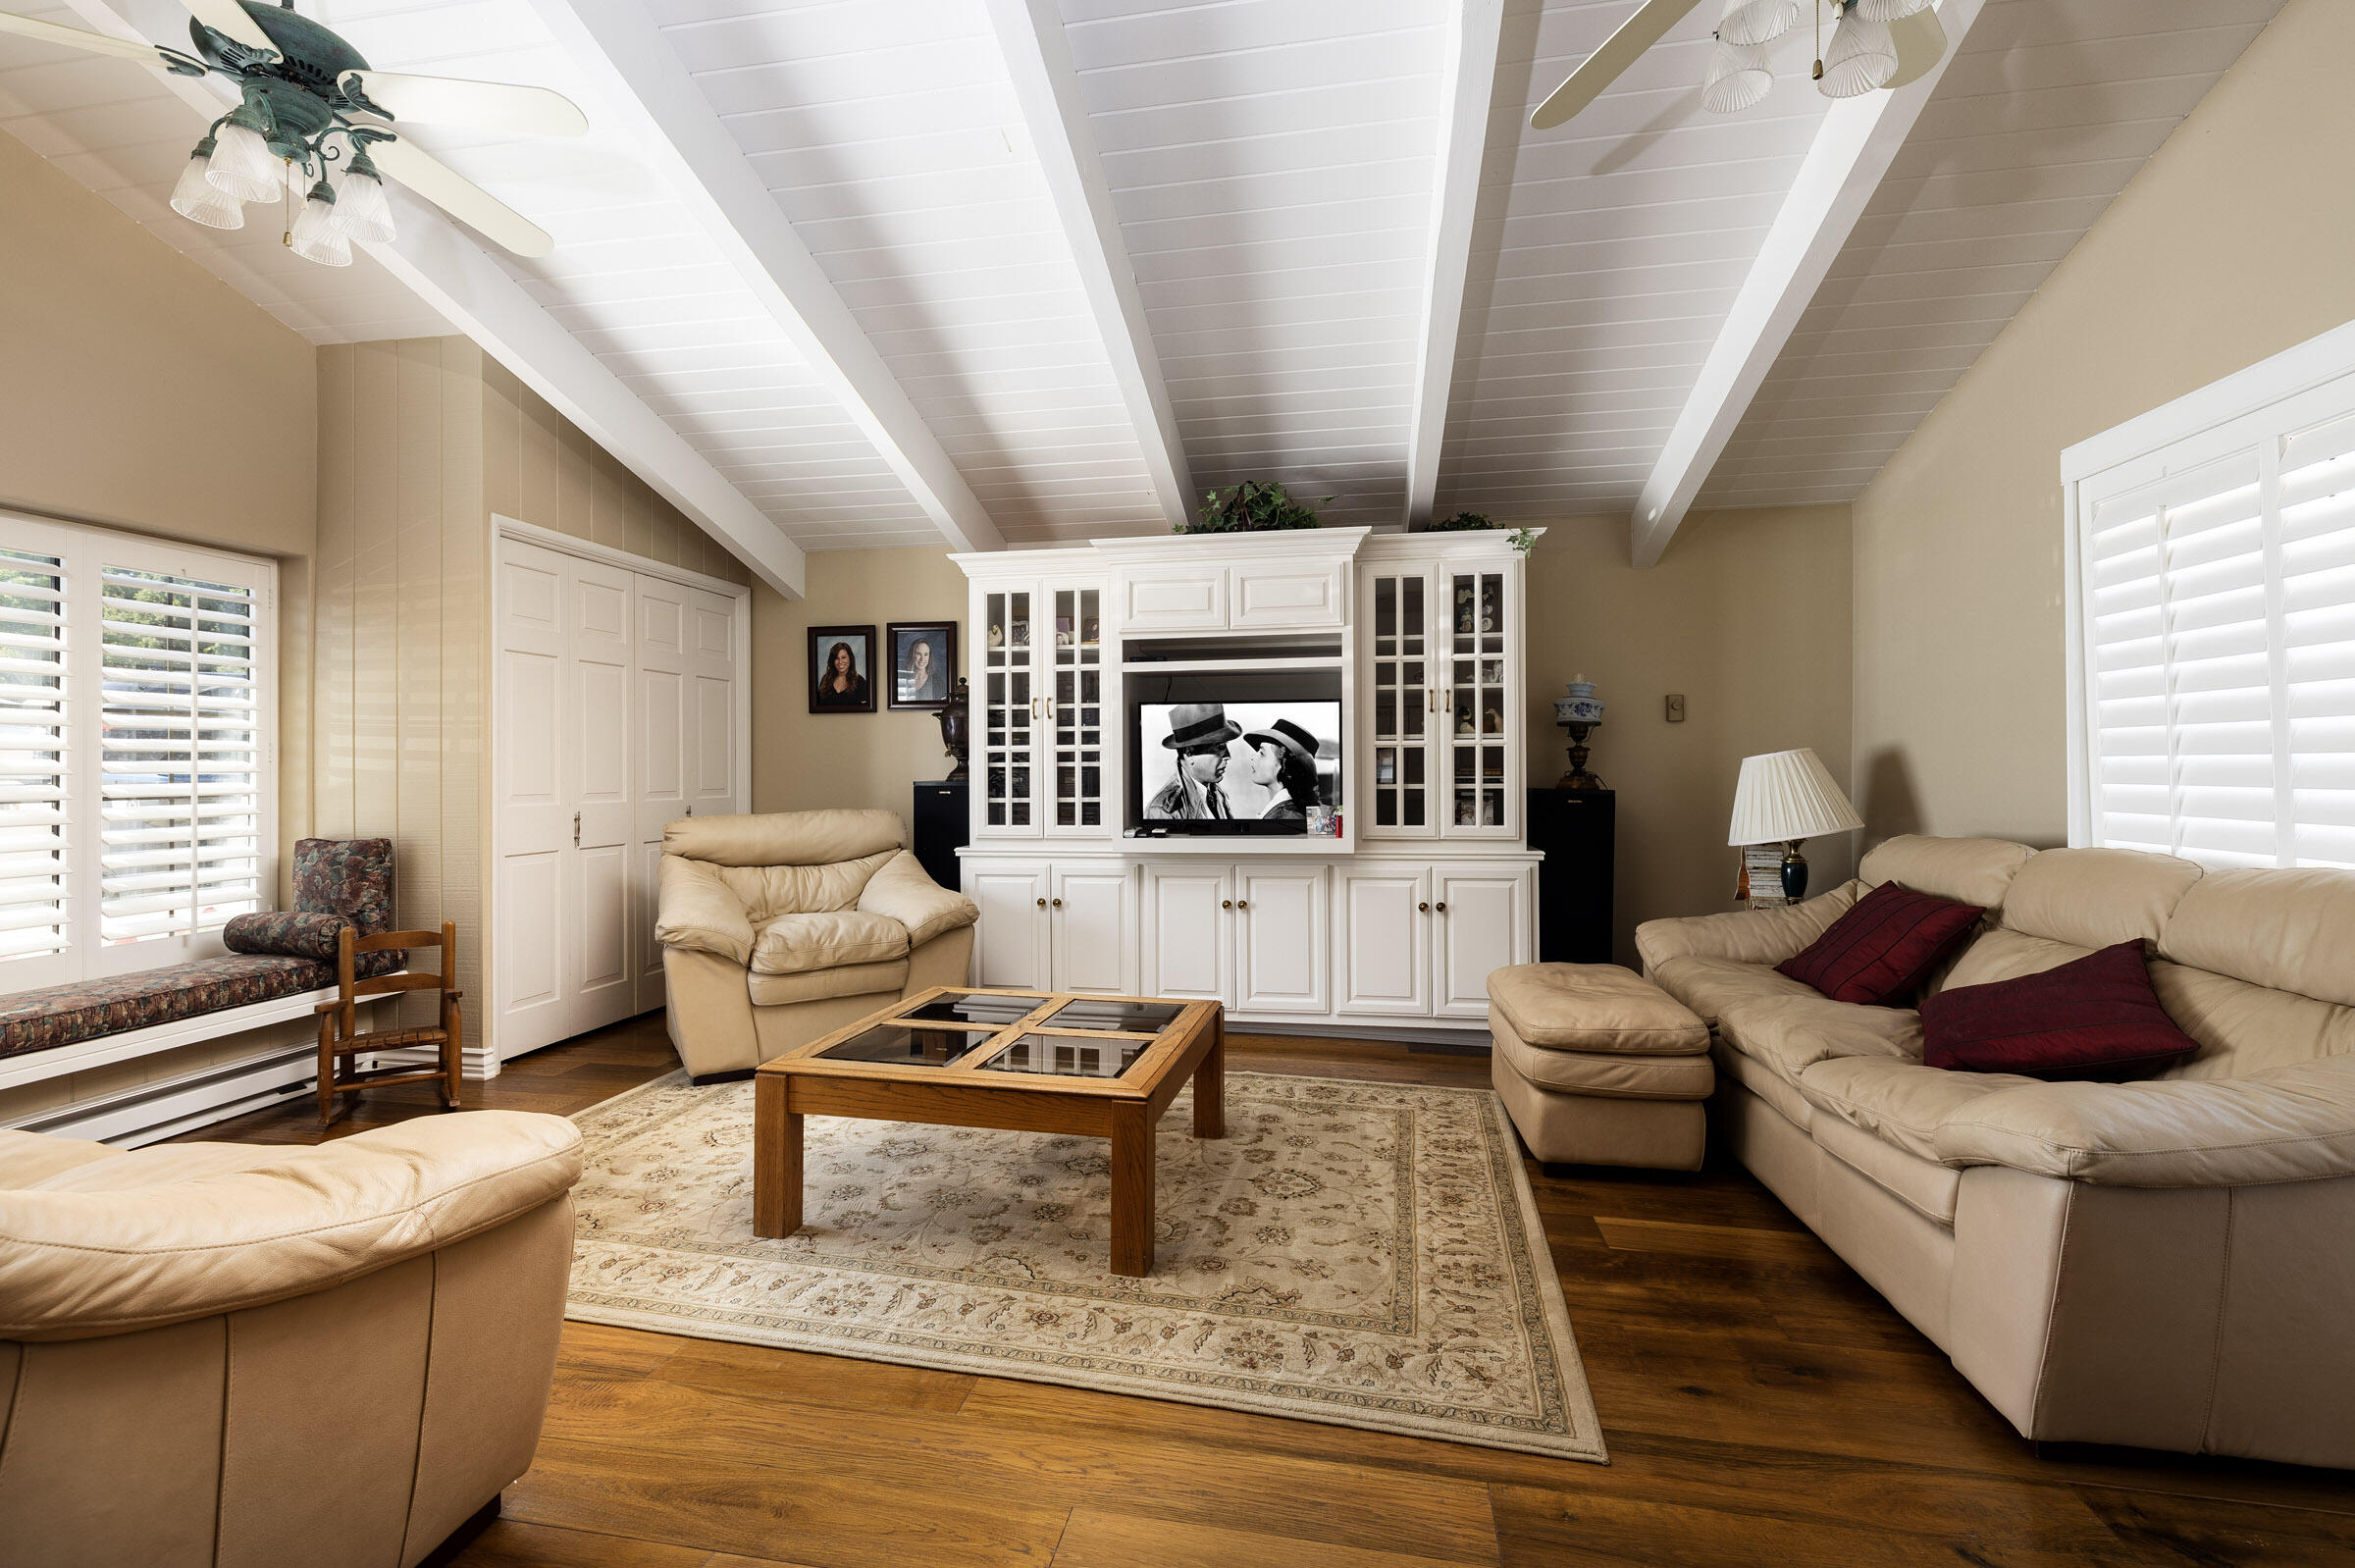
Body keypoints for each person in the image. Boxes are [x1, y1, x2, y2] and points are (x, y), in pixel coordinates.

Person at [1145, 703, 1239, 820]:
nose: (1228, 756)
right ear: (1189, 753)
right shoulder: (1163, 811)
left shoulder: (1216, 792)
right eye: (1219, 747)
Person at [1241, 718, 1322, 821]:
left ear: (1284, 765)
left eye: (1262, 753)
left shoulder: (1288, 817)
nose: (1253, 757)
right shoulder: (1284, 811)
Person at [815, 640, 868, 707]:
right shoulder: (825, 679)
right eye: (836, 658)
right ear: (832, 661)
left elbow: (864, 712)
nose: (840, 662)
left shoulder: (860, 682)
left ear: (850, 659)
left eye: (843, 657)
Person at [899, 636, 944, 703]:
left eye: (926, 654)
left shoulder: (937, 682)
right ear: (912, 655)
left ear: (929, 656)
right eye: (918, 654)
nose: (922, 659)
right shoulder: (901, 679)